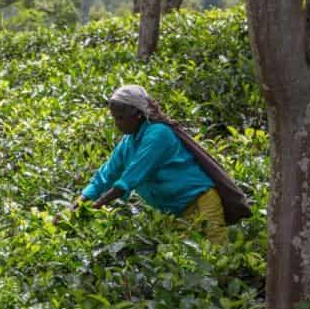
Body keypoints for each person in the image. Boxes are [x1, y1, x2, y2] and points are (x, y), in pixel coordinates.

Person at [65, 85, 228, 245]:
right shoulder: (127, 143)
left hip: (200, 204)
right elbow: (104, 177)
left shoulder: (158, 134)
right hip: (172, 212)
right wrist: (74, 208)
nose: (117, 124)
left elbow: (131, 178)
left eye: (121, 118)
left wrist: (95, 207)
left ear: (137, 114)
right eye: (114, 118)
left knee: (214, 258)